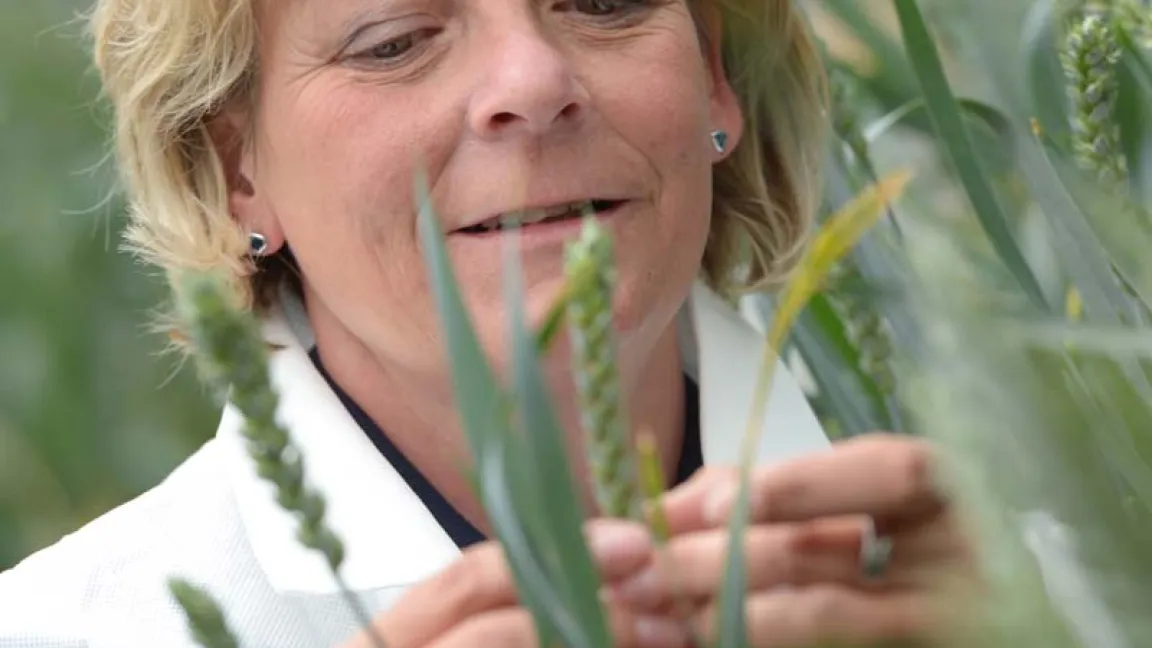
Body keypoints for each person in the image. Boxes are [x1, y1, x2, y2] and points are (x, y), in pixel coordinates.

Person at [0, 0, 972, 646]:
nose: (533, 83)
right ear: (237, 170)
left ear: (714, 76)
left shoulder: (1037, 564)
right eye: (394, 40)